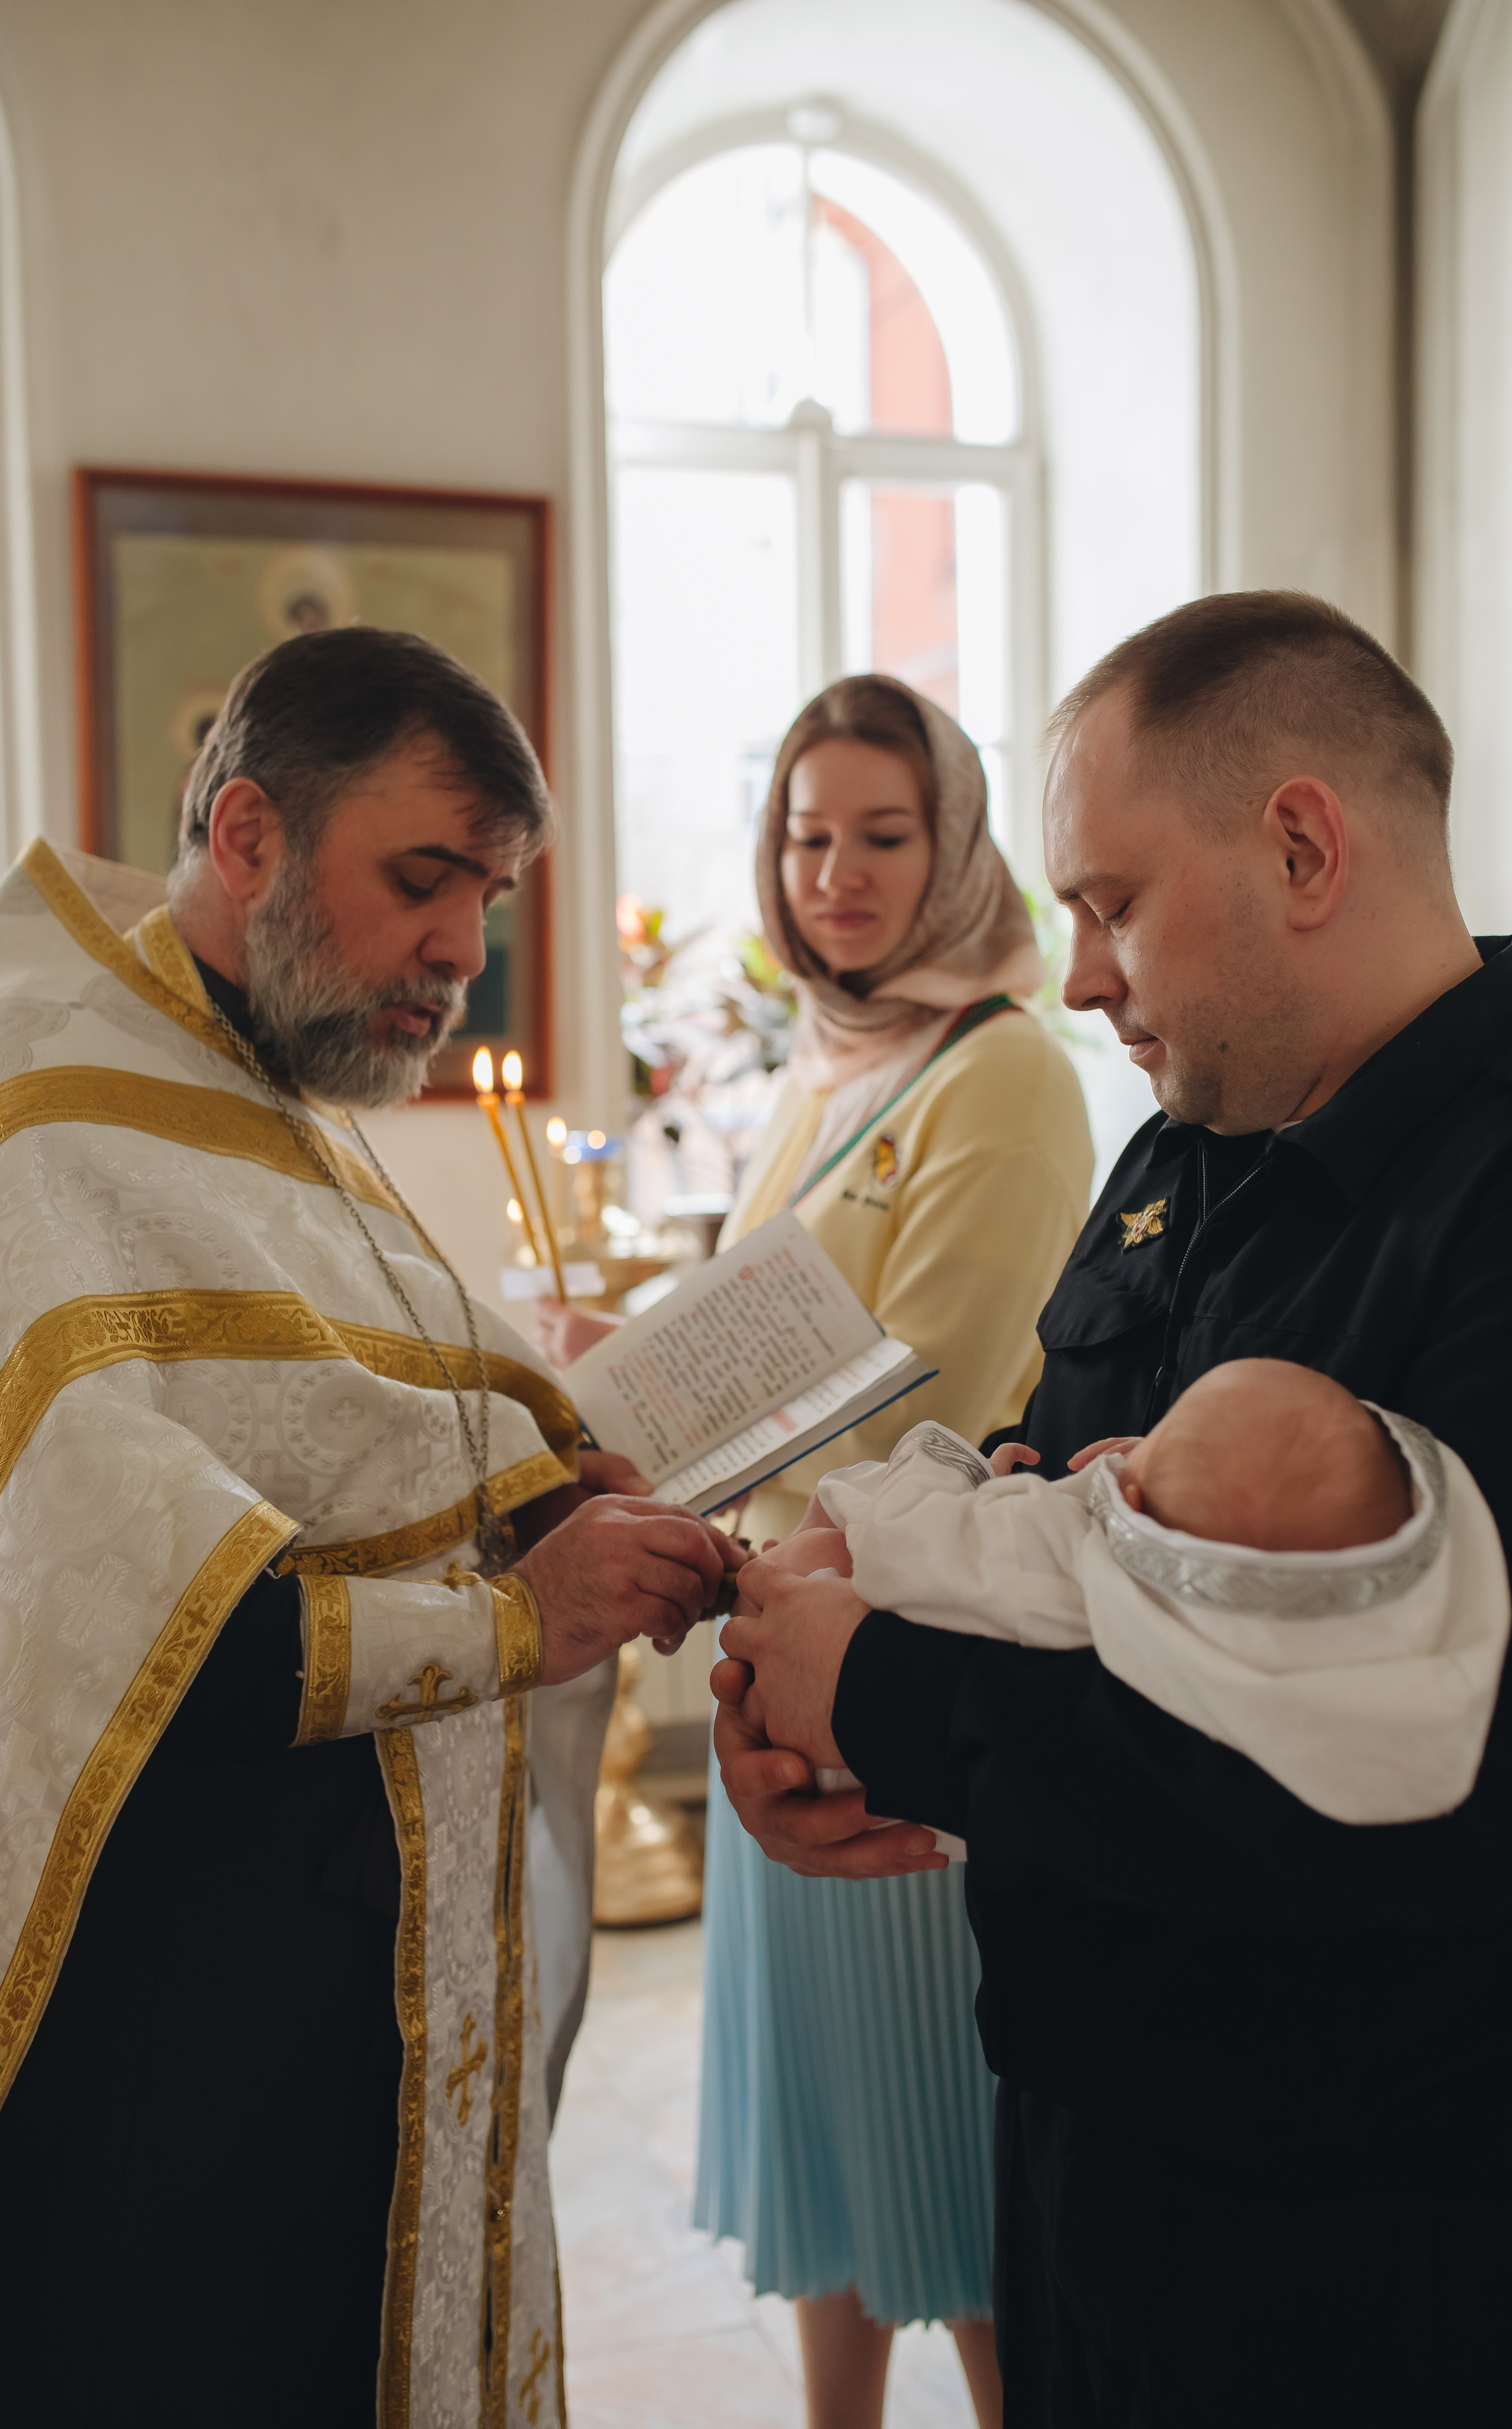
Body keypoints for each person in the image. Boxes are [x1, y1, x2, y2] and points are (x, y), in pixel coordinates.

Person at [0, 626, 744, 2429]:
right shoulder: (45, 1130)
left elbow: (356, 1405)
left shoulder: (254, 1078)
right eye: (422, 879)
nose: (462, 950)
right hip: (156, 2026)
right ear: (250, 835)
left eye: (487, 897)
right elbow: (128, 1617)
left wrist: (545, 1474)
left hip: (314, 1992)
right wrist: (522, 1618)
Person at [710, 590, 1512, 2427]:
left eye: (1111, 902)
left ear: (1299, 845)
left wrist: (886, 1697)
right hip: (1080, 2143)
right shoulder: (1173, 1145)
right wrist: (824, 1701)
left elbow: (1417, 1767)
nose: (1074, 975)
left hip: (1366, 2225)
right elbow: (1045, 1475)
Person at [546, 674, 1091, 2428]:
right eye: (804, 838)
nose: (835, 876)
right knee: (831, 2151)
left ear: (955, 850)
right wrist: (619, 1359)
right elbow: (763, 1333)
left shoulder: (1002, 1069)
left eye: (881, 835)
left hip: (900, 1659)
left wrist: (656, 1427)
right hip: (769, 1645)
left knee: (950, 2167)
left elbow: (924, 1393)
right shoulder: (822, 1058)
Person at [740, 1360, 1509, 1829]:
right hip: (979, 1825)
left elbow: (905, 1541)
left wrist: (947, 1467)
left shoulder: (1066, 1562)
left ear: (1134, 1507)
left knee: (815, 1551)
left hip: (866, 1766)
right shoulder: (1301, 1621)